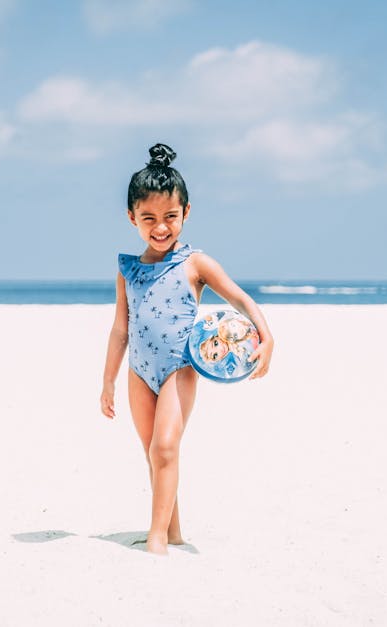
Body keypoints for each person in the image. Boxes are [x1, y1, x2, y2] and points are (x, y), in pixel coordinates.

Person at [99, 143, 275, 555]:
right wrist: (108, 380)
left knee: (166, 447)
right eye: (149, 219)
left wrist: (268, 338)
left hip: (180, 367)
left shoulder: (196, 264)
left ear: (186, 213)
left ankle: (157, 540)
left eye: (170, 217)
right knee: (153, 453)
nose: (161, 228)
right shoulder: (128, 269)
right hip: (138, 372)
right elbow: (120, 329)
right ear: (132, 218)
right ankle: (173, 531)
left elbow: (241, 300)